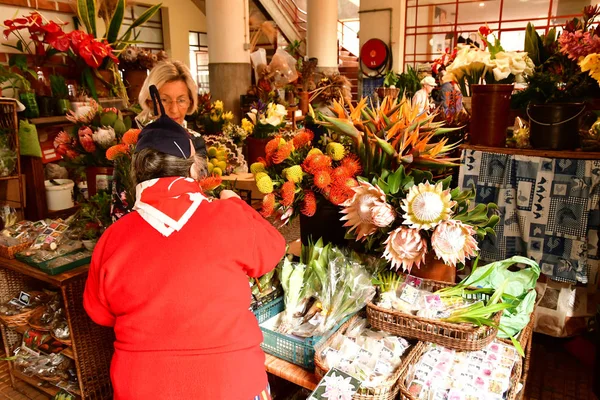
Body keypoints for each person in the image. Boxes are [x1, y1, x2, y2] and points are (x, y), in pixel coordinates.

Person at [84, 86, 286, 400]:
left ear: (136, 171)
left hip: (144, 389)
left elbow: (100, 313)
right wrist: (237, 203)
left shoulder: (113, 238)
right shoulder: (227, 215)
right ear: (191, 167)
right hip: (234, 385)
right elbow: (273, 250)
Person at [112, 60, 207, 220]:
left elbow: (202, 191)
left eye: (181, 100)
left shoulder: (196, 141)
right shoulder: (136, 144)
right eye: (164, 100)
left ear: (190, 101)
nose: (174, 109)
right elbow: (119, 208)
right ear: (150, 101)